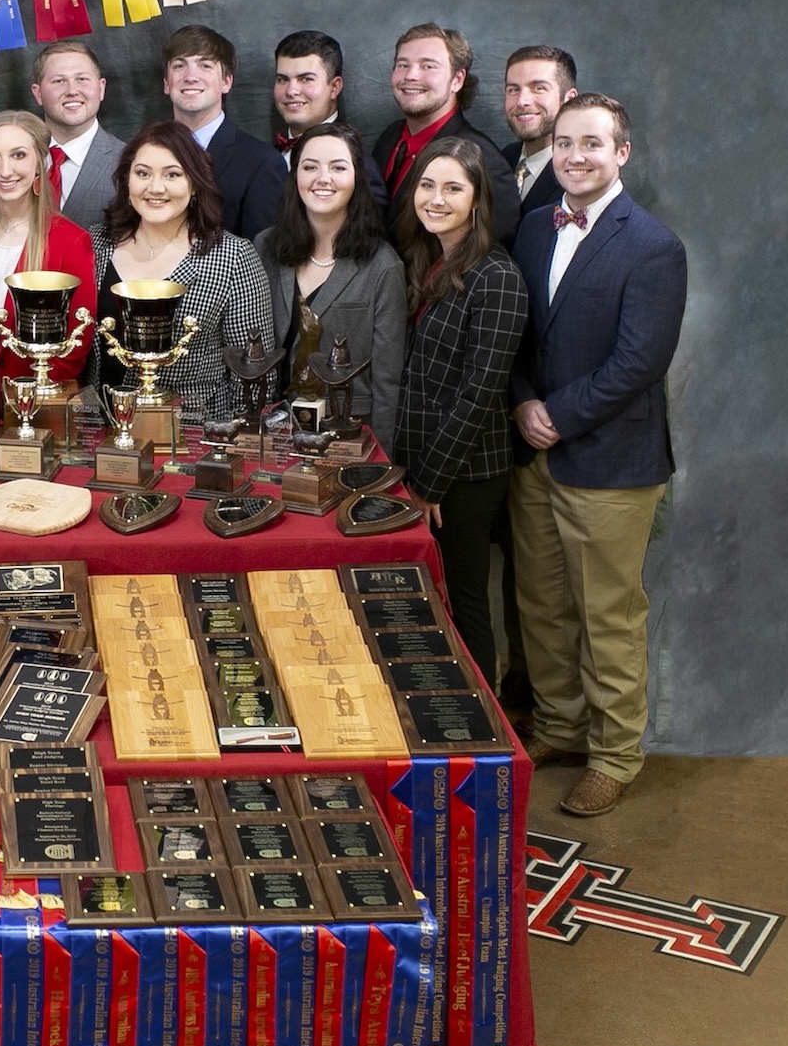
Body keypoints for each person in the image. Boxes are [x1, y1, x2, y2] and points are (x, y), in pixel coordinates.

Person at [508, 95, 686, 817]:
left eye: (591, 144)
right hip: (534, 453)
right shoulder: (529, 231)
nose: (575, 156)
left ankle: (615, 755)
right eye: (563, 143)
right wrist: (523, 400)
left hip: (612, 462)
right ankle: (558, 726)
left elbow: (639, 361)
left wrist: (558, 414)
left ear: (623, 153)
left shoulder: (652, 245)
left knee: (608, 614)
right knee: (543, 606)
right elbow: (520, 336)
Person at [390, 136, 530, 691]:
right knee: (432, 597)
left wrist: (429, 486)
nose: (436, 198)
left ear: (478, 199)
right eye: (427, 185)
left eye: (453, 187)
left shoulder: (497, 278)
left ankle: (482, 716)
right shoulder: (429, 262)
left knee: (466, 597)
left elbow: (479, 394)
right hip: (423, 465)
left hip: (465, 476)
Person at [88, 120, 272, 421]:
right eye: (142, 173)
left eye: (172, 174)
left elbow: (252, 373)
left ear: (196, 183)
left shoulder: (234, 257)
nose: (155, 188)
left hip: (193, 439)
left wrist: (236, 446)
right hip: (100, 434)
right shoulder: (96, 243)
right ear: (127, 180)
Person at [0, 111, 97, 427]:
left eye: (19, 155)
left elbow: (76, 344)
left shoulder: (69, 240)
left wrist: (30, 407)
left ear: (40, 163)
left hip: (32, 408)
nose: (5, 170)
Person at [253, 124, 406, 446]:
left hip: (348, 432)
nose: (323, 178)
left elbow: (388, 379)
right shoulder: (265, 247)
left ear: (356, 178)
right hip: (271, 428)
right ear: (295, 176)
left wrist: (383, 458)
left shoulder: (383, 265)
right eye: (310, 167)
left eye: (338, 167)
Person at [374, 23, 517, 246]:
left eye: (428, 66)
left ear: (457, 80)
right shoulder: (389, 138)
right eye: (403, 65)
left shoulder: (483, 157)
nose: (411, 75)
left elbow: (495, 247)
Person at [159, 25, 286, 240]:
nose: (191, 77)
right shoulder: (144, 153)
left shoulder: (261, 162)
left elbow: (262, 257)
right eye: (179, 66)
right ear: (166, 84)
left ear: (226, 82)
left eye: (205, 66)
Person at [269, 31, 389, 208]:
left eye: (306, 79)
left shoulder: (359, 167)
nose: (291, 91)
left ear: (334, 87)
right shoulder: (265, 158)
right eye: (282, 80)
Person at [29, 39, 123, 231]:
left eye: (82, 79)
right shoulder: (14, 158)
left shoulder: (129, 162)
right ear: (38, 94)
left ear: (101, 88)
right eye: (59, 81)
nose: (72, 91)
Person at [500, 45, 579, 220]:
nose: (522, 101)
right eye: (513, 90)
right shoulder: (503, 159)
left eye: (539, 88)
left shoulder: (579, 174)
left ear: (569, 99)